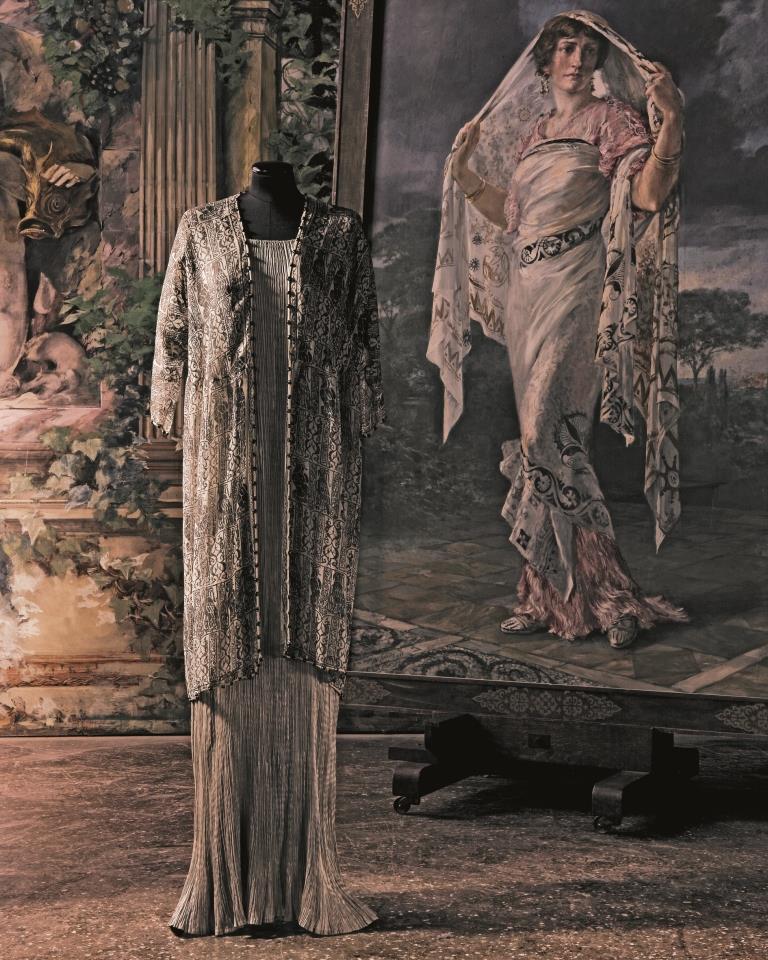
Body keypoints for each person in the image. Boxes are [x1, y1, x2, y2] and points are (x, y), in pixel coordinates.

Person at [428, 11, 688, 649]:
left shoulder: (612, 120)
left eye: (588, 50)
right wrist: (466, 177)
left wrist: (672, 123)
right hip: (528, 294)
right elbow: (513, 218)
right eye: (566, 49)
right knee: (548, 444)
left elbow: (648, 196)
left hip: (578, 289)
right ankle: (547, 596)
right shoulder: (534, 134)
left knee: (548, 432)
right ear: (545, 62)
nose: (578, 60)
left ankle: (609, 595)